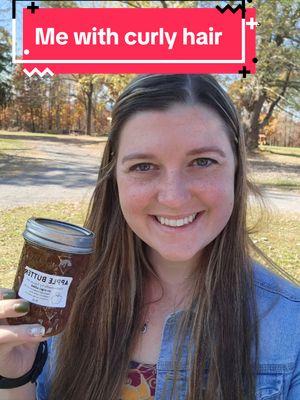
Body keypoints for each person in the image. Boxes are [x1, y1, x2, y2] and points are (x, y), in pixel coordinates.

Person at [0, 74, 299, 400]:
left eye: (202, 162)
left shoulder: (292, 329)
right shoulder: (62, 303)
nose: (173, 197)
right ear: (115, 177)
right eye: (144, 166)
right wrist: (14, 377)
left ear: (237, 170)